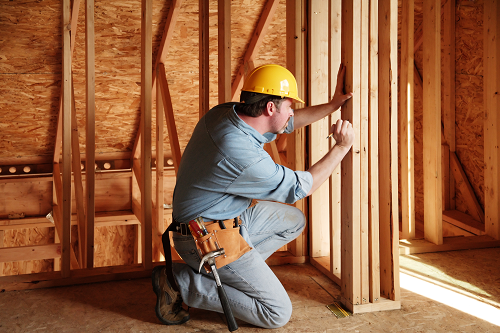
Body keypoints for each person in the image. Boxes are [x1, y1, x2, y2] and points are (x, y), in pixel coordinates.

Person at [152, 63, 355, 328]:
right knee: (276, 313)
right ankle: (181, 282)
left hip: (217, 220)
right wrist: (342, 147)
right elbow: (301, 187)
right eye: (290, 105)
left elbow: (286, 122)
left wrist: (332, 106)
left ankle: (232, 277)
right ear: (270, 107)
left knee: (292, 220)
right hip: (205, 240)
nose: (292, 111)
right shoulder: (240, 154)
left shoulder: (226, 113)